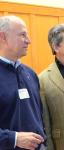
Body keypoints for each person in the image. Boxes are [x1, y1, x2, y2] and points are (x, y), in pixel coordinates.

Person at [0, 15, 49, 150]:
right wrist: (14, 138)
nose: (29, 41)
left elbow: (38, 116)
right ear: (3, 37)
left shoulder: (31, 74)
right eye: (22, 35)